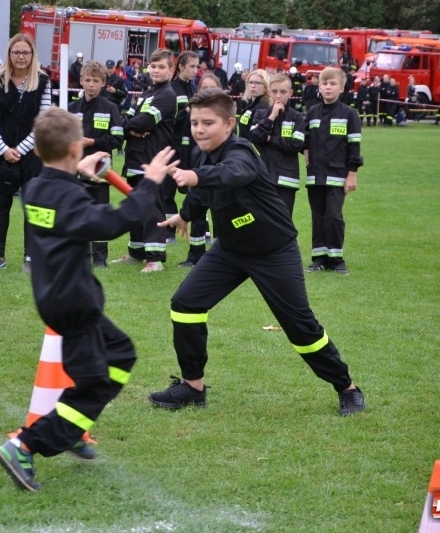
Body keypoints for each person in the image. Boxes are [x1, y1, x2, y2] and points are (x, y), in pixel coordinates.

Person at [0, 107, 178, 492]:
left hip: (58, 296)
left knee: (121, 353)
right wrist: (150, 183)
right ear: (76, 146)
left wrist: (78, 168)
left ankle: (72, 427)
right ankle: (25, 445)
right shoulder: (65, 196)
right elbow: (111, 224)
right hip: (74, 302)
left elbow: (64, 195)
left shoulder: (38, 188)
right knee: (93, 383)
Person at [148, 88, 365, 417]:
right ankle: (192, 387)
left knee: (300, 326)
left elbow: (232, 174)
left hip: (273, 249)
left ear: (229, 123)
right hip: (230, 249)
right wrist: (184, 215)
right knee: (185, 303)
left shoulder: (241, 151)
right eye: (194, 123)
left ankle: (347, 388)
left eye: (208, 123)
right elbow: (203, 193)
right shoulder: (203, 153)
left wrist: (194, 176)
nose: (199, 129)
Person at [0, 33, 52, 273]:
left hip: (33, 154)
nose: (21, 57)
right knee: (2, 206)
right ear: (9, 54)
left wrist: (20, 149)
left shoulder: (43, 81)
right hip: (1, 152)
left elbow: (43, 121)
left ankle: (30, 258)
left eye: (25, 52)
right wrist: (3, 149)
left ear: (32, 55)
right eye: (16, 52)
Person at [110, 48, 176, 273]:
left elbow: (144, 122)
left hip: (152, 160)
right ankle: (136, 253)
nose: (156, 70)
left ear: (171, 70)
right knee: (136, 205)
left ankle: (155, 258)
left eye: (161, 67)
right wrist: (131, 128)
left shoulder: (168, 95)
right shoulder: (147, 94)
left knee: (153, 207)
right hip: (135, 157)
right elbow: (125, 122)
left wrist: (131, 126)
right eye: (153, 66)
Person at [303, 67, 363, 275]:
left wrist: (352, 174)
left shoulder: (349, 114)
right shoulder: (312, 112)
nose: (328, 87)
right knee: (318, 216)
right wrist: (305, 150)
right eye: (324, 83)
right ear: (319, 87)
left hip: (338, 176)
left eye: (332, 84)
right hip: (315, 176)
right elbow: (306, 138)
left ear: (342, 88)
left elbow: (354, 145)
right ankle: (319, 258)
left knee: (334, 216)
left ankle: (336, 259)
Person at [69, 61, 124, 268]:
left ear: (103, 83)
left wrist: (92, 142)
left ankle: (100, 259)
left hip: (100, 170)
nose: (91, 84)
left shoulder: (110, 108)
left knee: (100, 214)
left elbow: (117, 139)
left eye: (96, 81)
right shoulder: (72, 108)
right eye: (88, 80)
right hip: (75, 169)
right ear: (81, 81)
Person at [249, 73, 306, 216]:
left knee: (283, 221)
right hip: (263, 176)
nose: (278, 96)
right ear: (269, 93)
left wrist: (269, 139)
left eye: (283, 92)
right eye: (274, 92)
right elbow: (255, 137)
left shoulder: (297, 117)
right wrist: (272, 117)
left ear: (290, 93)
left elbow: (295, 146)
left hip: (287, 179)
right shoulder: (261, 114)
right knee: (262, 220)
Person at [168, 51, 199, 261]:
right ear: (180, 67)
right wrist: (185, 112)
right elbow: (169, 119)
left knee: (195, 191)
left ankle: (198, 231)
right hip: (176, 146)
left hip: (193, 147)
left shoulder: (194, 88)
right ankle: (168, 232)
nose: (195, 71)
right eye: (192, 67)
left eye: (197, 67)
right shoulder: (173, 89)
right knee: (167, 191)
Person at [237, 69, 271, 140]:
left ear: (265, 87)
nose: (253, 85)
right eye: (250, 82)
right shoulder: (250, 103)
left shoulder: (263, 107)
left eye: (257, 83)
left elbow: (258, 135)